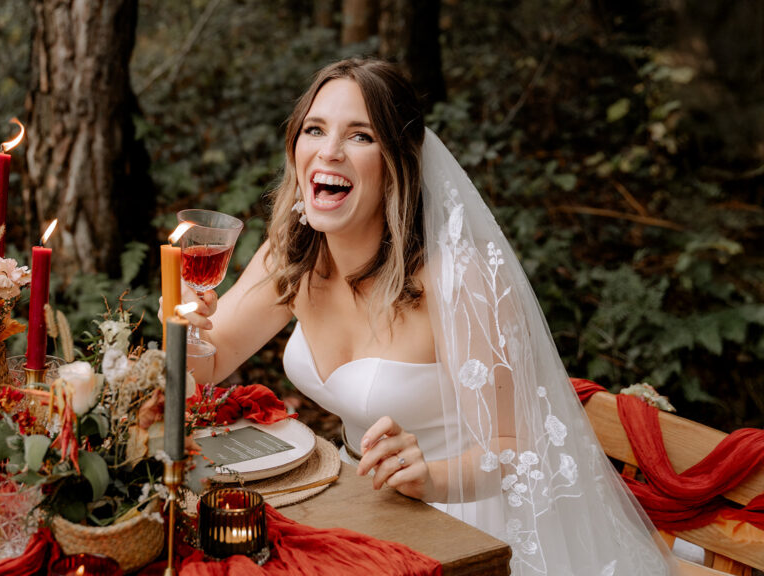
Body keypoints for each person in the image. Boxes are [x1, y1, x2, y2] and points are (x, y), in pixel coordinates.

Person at [166, 58, 677, 575]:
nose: (328, 151)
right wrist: (184, 322)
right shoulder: (292, 253)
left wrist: (432, 477)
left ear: (398, 163)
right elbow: (208, 363)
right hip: (360, 507)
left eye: (360, 136)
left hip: (472, 527)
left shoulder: (459, 281)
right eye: (314, 129)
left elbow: (522, 449)